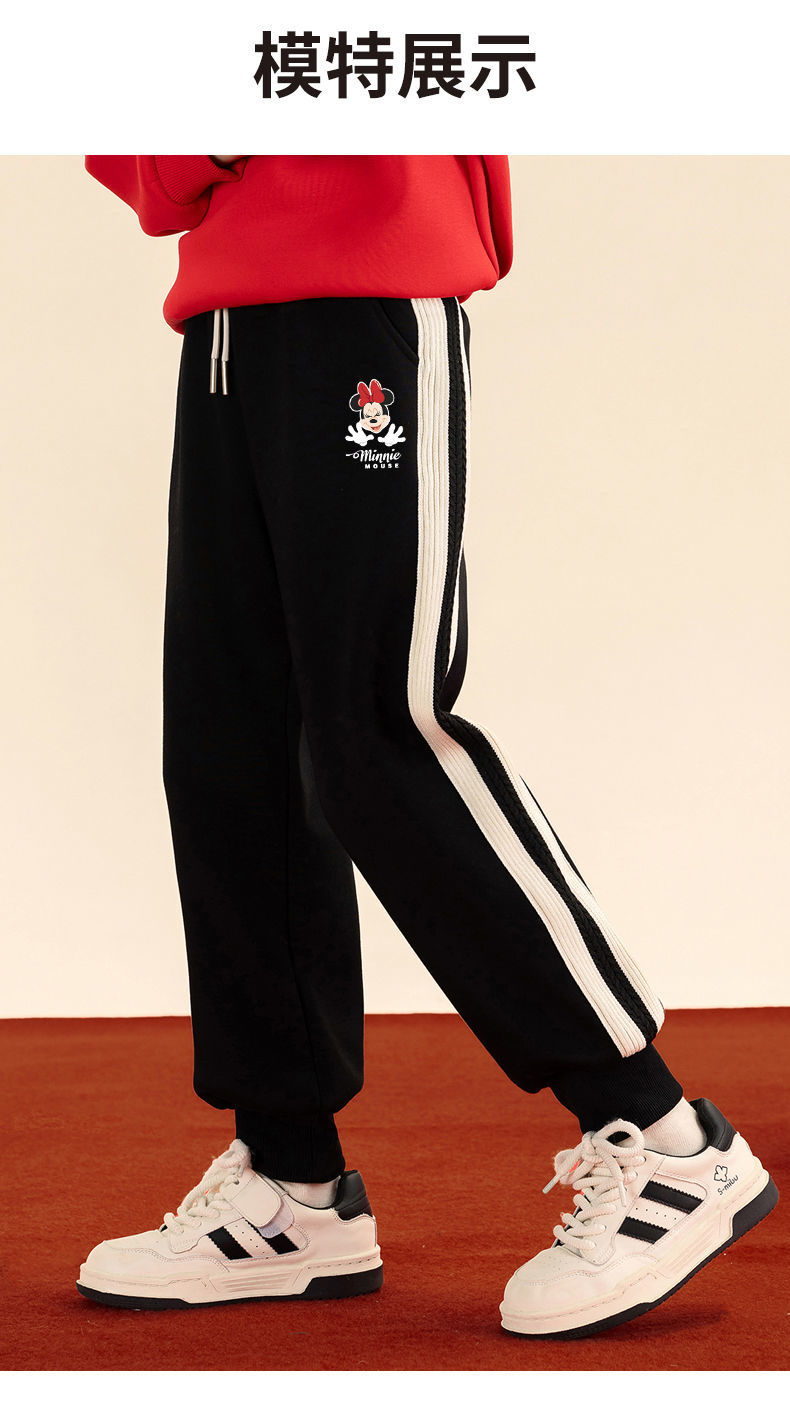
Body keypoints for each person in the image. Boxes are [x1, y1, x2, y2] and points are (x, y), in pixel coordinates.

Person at [76, 155, 776, 1337]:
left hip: (367, 296)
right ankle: (292, 1184)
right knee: (229, 753)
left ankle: (667, 1137)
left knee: (378, 734)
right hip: (228, 329)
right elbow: (149, 158)